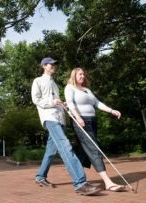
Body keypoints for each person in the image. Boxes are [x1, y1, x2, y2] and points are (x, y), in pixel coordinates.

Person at [31, 57, 102, 196]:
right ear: (44, 66)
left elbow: (57, 102)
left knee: (51, 151)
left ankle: (40, 177)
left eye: (54, 64)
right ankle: (80, 183)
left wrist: (63, 105)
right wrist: (53, 102)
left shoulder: (56, 85)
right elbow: (36, 99)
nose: (54, 66)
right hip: (50, 118)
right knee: (65, 146)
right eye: (52, 64)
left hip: (60, 119)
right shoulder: (37, 81)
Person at [64, 67, 126, 192]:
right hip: (81, 122)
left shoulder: (87, 90)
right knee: (94, 149)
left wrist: (112, 110)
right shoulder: (69, 88)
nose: (82, 76)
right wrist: (78, 117)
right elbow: (70, 104)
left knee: (84, 150)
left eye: (83, 74)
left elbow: (97, 103)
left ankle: (77, 176)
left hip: (92, 121)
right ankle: (108, 182)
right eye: (80, 74)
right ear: (74, 76)